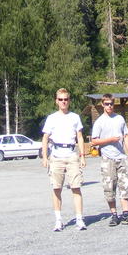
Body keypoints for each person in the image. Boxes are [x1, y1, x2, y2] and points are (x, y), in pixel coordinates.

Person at [90, 94, 128, 226]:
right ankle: (114, 214)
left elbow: (126, 136)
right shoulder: (99, 122)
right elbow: (94, 141)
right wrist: (110, 140)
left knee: (125, 185)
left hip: (121, 157)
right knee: (109, 187)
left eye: (111, 103)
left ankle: (126, 214)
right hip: (108, 158)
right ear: (102, 104)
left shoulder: (119, 119)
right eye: (106, 104)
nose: (109, 106)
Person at [42, 88, 86, 231]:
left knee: (76, 187)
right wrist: (44, 157)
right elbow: (45, 138)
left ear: (69, 101)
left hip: (72, 154)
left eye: (66, 99)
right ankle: (58, 220)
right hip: (56, 155)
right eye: (61, 99)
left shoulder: (75, 117)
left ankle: (79, 219)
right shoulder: (51, 118)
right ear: (56, 101)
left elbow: (79, 137)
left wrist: (82, 155)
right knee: (56, 188)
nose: (63, 102)